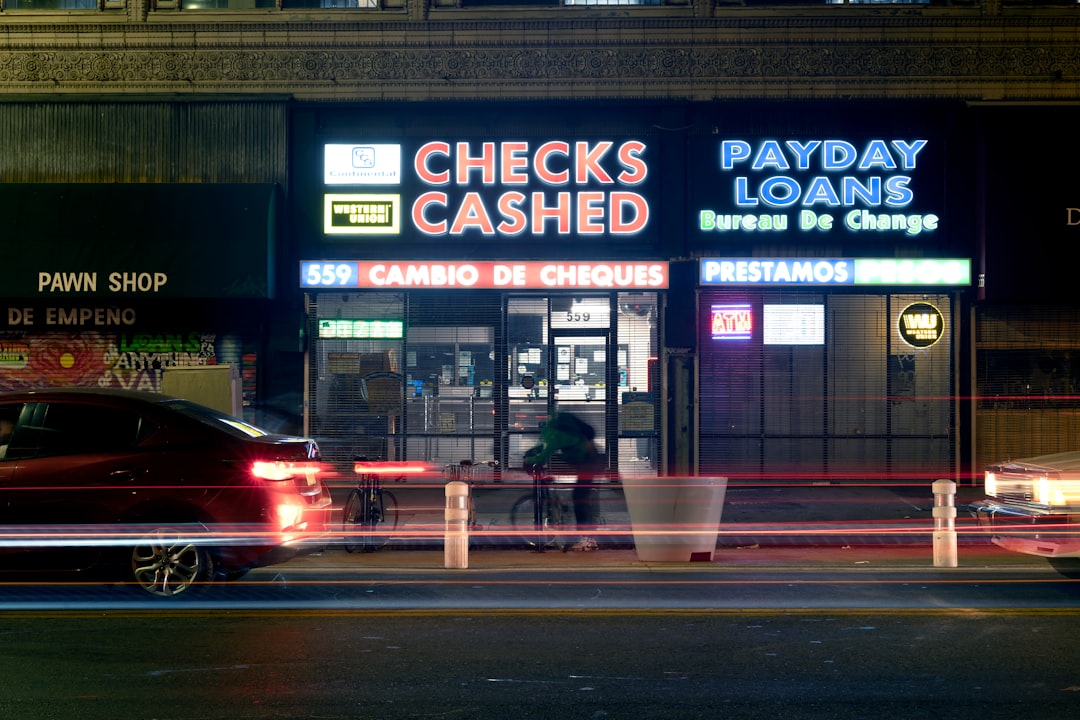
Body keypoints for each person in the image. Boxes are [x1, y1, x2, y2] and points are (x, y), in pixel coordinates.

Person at [523, 411, 603, 552]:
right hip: (588, 459)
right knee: (581, 497)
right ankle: (585, 536)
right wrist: (534, 450)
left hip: (588, 462)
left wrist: (527, 459)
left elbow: (544, 454)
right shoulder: (557, 433)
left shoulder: (552, 434)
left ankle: (587, 539)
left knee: (579, 498)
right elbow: (546, 447)